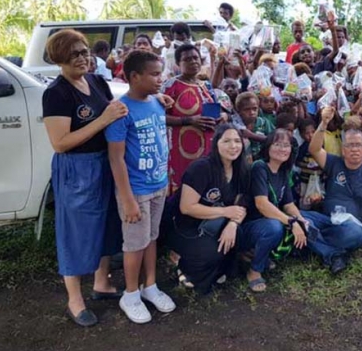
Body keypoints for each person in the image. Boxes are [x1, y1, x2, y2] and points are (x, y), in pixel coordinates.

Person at [42, 29, 127, 327]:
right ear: (59, 59)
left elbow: (116, 112)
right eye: (74, 54)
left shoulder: (96, 80)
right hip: (76, 169)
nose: (82, 58)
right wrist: (102, 119)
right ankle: (74, 299)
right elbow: (60, 143)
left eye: (84, 51)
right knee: (76, 232)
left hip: (104, 163)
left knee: (106, 224)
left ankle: (101, 282)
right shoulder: (57, 93)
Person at [106, 50, 176, 324]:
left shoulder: (157, 103)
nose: (162, 79)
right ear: (134, 76)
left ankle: (150, 286)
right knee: (134, 244)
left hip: (158, 184)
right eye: (155, 74)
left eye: (162, 73)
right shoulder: (121, 110)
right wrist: (127, 199)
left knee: (151, 238)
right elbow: (116, 158)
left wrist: (167, 179)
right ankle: (130, 294)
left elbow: (161, 143)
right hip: (135, 190)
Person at [167, 124, 248, 294]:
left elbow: (241, 204)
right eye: (226, 141)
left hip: (213, 224)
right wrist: (225, 212)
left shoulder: (241, 169)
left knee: (237, 235)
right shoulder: (201, 168)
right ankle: (183, 265)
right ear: (215, 143)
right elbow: (187, 207)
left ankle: (216, 270)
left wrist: (232, 224)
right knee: (211, 252)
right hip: (185, 227)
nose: (233, 146)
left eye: (237, 141)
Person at [308, 106, 362, 268]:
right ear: (343, 149)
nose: (355, 149)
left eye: (358, 145)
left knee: (353, 234)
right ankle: (334, 252)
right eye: (350, 145)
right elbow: (314, 149)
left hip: (354, 226)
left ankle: (316, 243)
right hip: (329, 220)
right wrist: (323, 123)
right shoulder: (334, 163)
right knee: (298, 218)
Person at [240, 129, 308, 292]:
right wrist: (291, 222)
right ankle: (254, 270)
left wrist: (300, 220)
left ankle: (260, 255)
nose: (282, 149)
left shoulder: (284, 170)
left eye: (286, 145)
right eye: (277, 144)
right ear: (268, 147)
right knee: (274, 227)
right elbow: (261, 204)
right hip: (248, 226)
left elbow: (288, 204)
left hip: (266, 223)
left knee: (302, 221)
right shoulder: (260, 167)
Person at [163, 44, 224, 195]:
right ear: (178, 64)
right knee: (185, 186)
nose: (193, 62)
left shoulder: (206, 86)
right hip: (182, 148)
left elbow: (218, 108)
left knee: (205, 186)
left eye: (196, 58)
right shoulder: (172, 86)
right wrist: (189, 120)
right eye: (187, 59)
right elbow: (158, 117)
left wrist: (222, 116)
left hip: (208, 147)